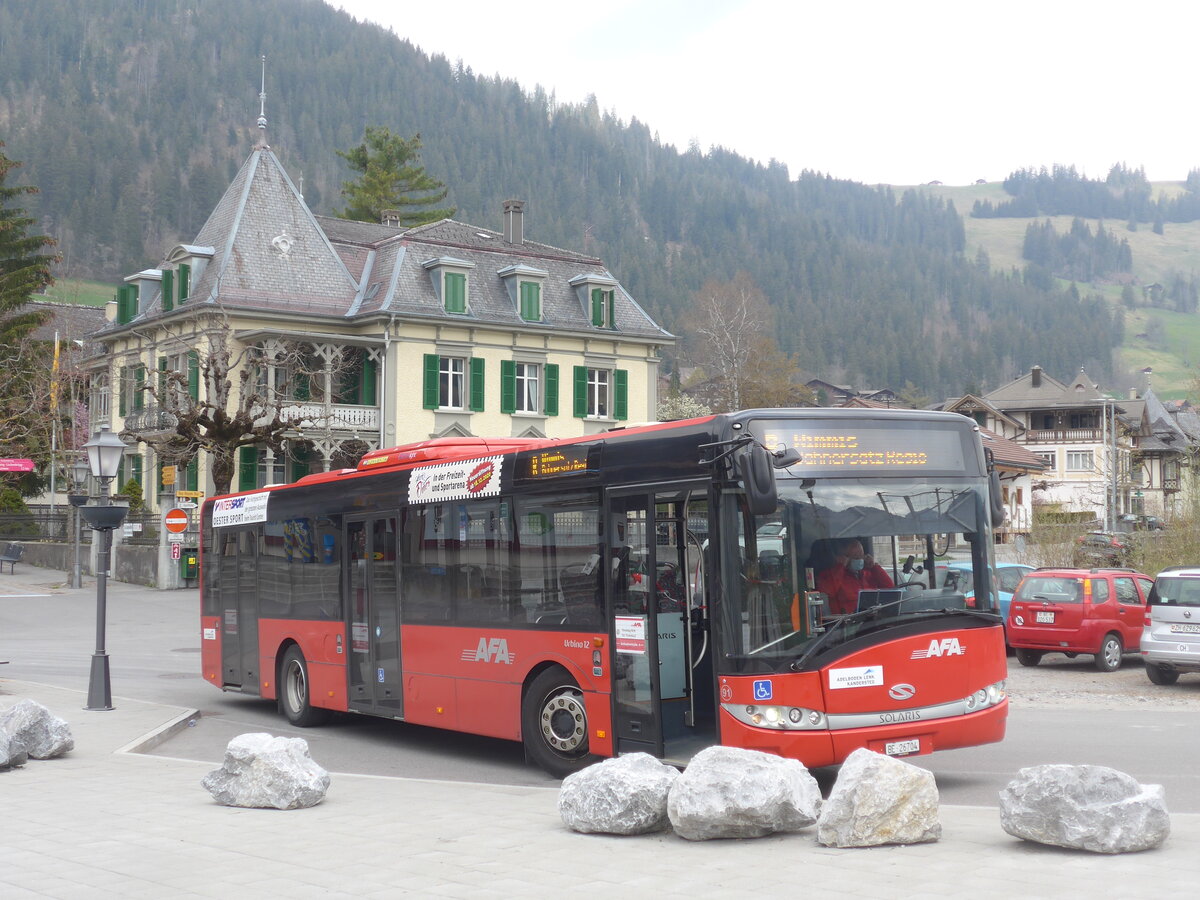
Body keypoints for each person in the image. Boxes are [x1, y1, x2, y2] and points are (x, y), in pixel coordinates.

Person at [817, 538, 894, 615]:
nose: (860, 559)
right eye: (856, 557)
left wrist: (874, 567)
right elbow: (828, 592)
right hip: (846, 623)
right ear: (843, 558)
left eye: (862, 556)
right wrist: (841, 567)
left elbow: (890, 588)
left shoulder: (869, 573)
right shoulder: (831, 576)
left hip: (871, 621)